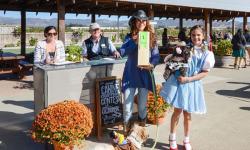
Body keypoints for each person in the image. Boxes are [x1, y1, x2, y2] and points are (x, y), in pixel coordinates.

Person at [160, 25, 215, 150]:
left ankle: (186, 139)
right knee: (177, 112)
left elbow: (204, 73)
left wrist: (189, 79)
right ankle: (172, 137)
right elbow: (173, 60)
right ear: (190, 36)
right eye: (193, 35)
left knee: (188, 114)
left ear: (203, 36)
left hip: (192, 84)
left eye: (198, 35)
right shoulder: (185, 48)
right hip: (180, 83)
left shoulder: (207, 53)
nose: (196, 37)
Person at [120, 10, 160, 131]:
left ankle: (141, 131)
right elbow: (122, 52)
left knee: (142, 106)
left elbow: (156, 56)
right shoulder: (129, 37)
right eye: (138, 20)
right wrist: (134, 41)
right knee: (127, 107)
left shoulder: (152, 37)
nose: (141, 22)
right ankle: (125, 132)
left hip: (144, 75)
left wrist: (151, 65)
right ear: (134, 22)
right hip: (130, 75)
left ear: (146, 22)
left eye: (143, 20)